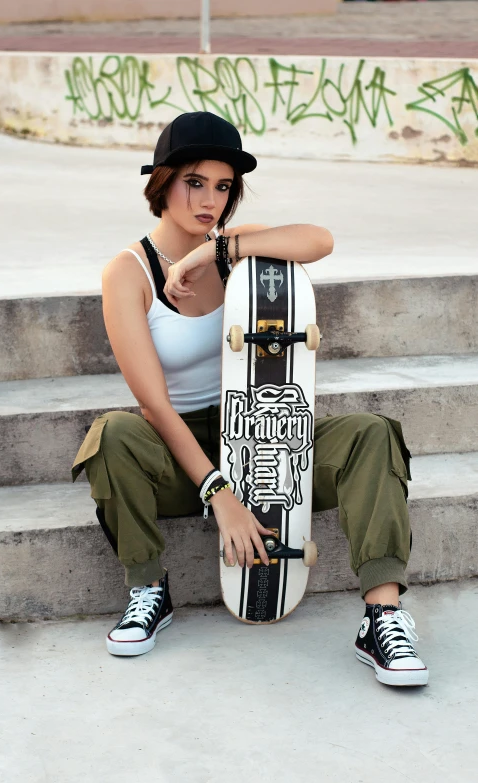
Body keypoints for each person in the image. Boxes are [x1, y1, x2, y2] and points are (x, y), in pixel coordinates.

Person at [72, 111, 429, 687]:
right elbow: (154, 407)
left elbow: (320, 240)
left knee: (372, 432)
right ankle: (148, 589)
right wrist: (222, 496)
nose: (209, 199)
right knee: (112, 434)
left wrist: (210, 254)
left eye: (223, 185)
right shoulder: (127, 272)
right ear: (162, 182)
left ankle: (382, 616)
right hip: (179, 452)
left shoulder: (234, 249)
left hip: (267, 434)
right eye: (194, 181)